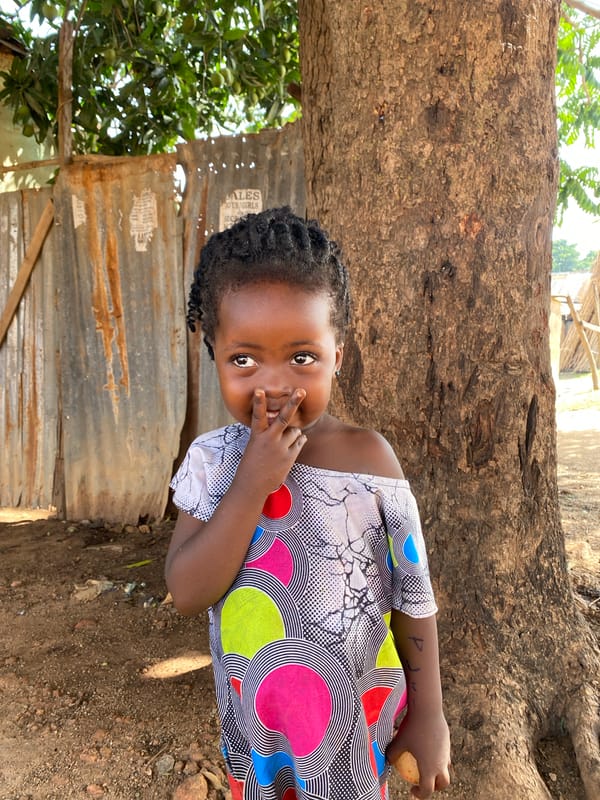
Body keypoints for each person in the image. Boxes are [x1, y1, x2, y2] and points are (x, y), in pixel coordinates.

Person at [165, 207, 451, 800]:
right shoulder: (212, 462)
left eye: (301, 357)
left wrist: (429, 714)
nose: (273, 385)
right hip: (259, 740)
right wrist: (252, 481)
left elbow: (413, 597)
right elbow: (188, 591)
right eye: (244, 360)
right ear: (215, 356)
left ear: (337, 356)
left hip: (356, 734)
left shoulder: (370, 463)